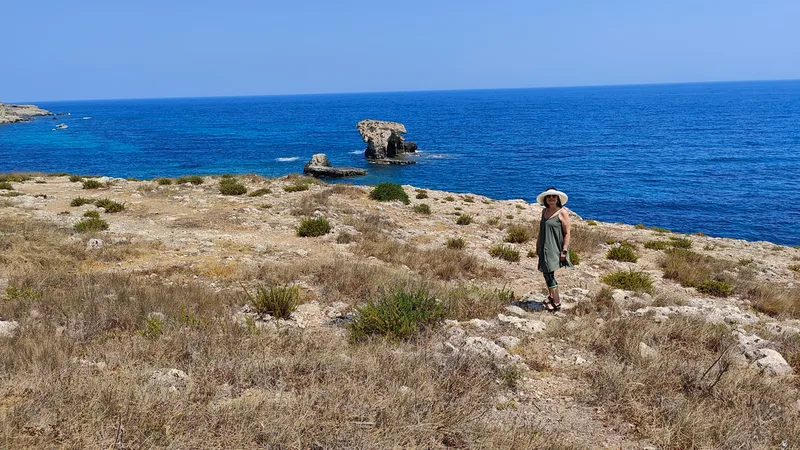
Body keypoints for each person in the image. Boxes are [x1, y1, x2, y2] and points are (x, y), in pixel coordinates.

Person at [535, 187, 572, 312]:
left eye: (553, 196)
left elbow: (567, 233)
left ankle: (556, 302)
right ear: (545, 199)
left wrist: (564, 250)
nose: (551, 198)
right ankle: (551, 297)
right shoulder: (544, 211)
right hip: (543, 247)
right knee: (546, 273)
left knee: (549, 274)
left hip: (554, 248)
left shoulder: (562, 212)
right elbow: (541, 230)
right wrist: (538, 245)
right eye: (549, 196)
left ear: (558, 198)